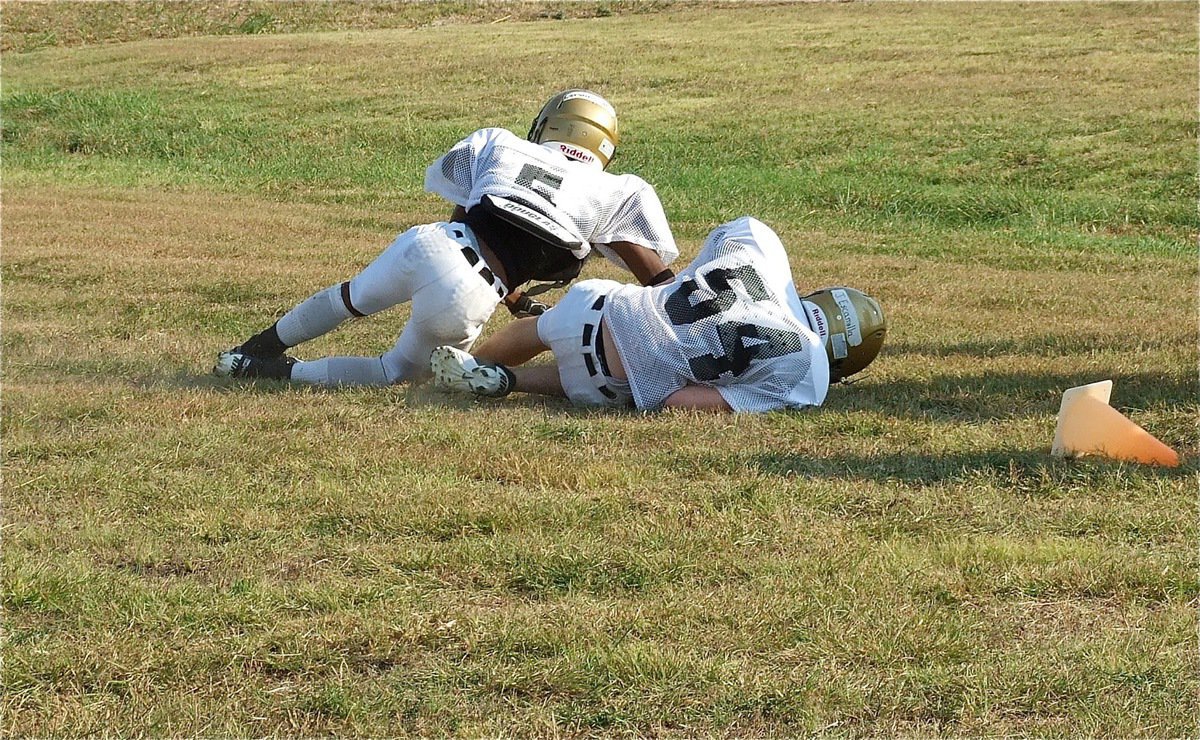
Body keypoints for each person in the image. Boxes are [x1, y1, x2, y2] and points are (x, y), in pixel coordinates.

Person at [212, 89, 678, 386]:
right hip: (469, 292)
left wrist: (513, 295)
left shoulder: (501, 143)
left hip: (430, 242)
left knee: (347, 299)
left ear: (548, 124)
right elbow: (656, 279)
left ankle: (254, 348)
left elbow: (474, 216)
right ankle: (269, 373)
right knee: (393, 373)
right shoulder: (616, 191)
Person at [430, 216, 886, 413]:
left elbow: (692, 272)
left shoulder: (762, 247)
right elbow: (680, 404)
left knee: (546, 328)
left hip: (598, 305)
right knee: (628, 375)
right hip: (605, 385)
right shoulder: (804, 368)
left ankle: (482, 366)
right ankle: (516, 384)